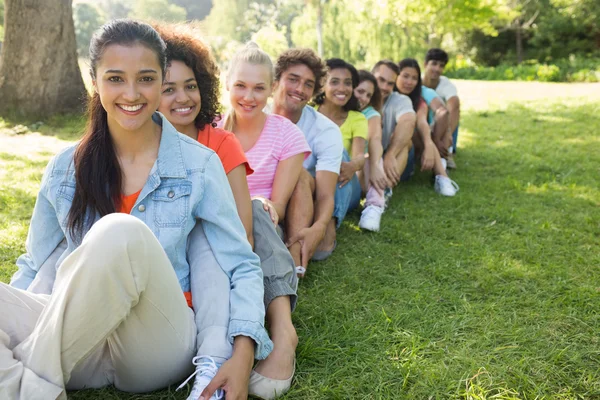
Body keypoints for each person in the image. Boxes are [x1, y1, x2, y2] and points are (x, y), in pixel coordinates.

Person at [0, 20, 271, 400]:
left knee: (119, 232)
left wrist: (242, 355)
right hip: (79, 340)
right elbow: (33, 263)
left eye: (145, 78)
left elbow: (242, 264)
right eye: (115, 78)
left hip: (154, 344)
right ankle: (23, 385)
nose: (131, 93)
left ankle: (29, 386)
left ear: (161, 80)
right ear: (94, 81)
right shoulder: (65, 168)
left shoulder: (198, 165)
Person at [217, 42, 311, 399]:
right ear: (227, 83)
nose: (248, 96)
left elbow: (279, 208)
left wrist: (251, 200)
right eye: (241, 85)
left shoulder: (286, 134)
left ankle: (283, 330)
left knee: (256, 208)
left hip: (261, 224)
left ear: (272, 89)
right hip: (216, 222)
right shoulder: (210, 129)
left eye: (259, 87)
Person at [271, 49, 344, 272]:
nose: (300, 89)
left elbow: (324, 194)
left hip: (302, 198)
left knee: (299, 171)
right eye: (293, 80)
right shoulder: (254, 114)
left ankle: (294, 258)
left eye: (308, 85)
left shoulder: (325, 130)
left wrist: (319, 227)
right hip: (263, 196)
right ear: (275, 81)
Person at [312, 58, 366, 243]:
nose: (342, 88)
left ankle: (329, 226)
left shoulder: (357, 118)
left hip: (346, 183)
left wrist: (352, 166)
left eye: (348, 83)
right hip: (313, 181)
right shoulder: (309, 113)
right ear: (322, 85)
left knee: (337, 148)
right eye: (334, 82)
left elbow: (361, 156)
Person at [359, 60, 416, 231]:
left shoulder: (399, 100)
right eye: (380, 80)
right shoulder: (357, 98)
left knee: (407, 142)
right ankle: (376, 193)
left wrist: (390, 154)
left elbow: (408, 121)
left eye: (390, 83)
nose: (384, 87)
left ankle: (383, 192)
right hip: (363, 159)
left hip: (389, 160)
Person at [396, 58, 459, 196]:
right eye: (405, 76)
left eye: (414, 78)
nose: (409, 82)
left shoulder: (419, 99)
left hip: (413, 144)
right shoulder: (389, 96)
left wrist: (432, 142)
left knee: (415, 130)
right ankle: (441, 166)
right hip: (392, 146)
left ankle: (442, 177)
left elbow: (423, 121)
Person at [353, 70, 391, 231]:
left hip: (361, 174)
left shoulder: (371, 113)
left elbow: (375, 138)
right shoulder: (335, 111)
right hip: (336, 174)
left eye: (368, 95)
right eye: (360, 91)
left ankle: (374, 206)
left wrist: (375, 165)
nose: (364, 98)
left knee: (370, 157)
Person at [422, 48, 460, 169]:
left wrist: (447, 133)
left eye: (441, 66)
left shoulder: (446, 85)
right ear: (425, 64)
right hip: (424, 122)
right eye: (434, 64)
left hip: (442, 125)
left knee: (450, 111)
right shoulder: (416, 82)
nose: (437, 69)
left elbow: (454, 105)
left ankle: (445, 152)